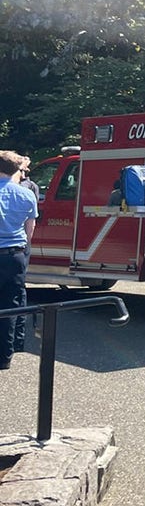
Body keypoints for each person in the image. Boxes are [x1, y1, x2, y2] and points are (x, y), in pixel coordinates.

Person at [0, 151, 38, 370]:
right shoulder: (27, 195)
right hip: (15, 255)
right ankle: (5, 356)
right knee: (11, 305)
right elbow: (29, 231)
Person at [13, 158, 39, 355]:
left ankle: (17, 340)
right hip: (19, 247)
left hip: (18, 246)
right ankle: (15, 341)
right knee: (16, 293)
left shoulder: (29, 187)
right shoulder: (28, 190)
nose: (24, 172)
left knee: (17, 292)